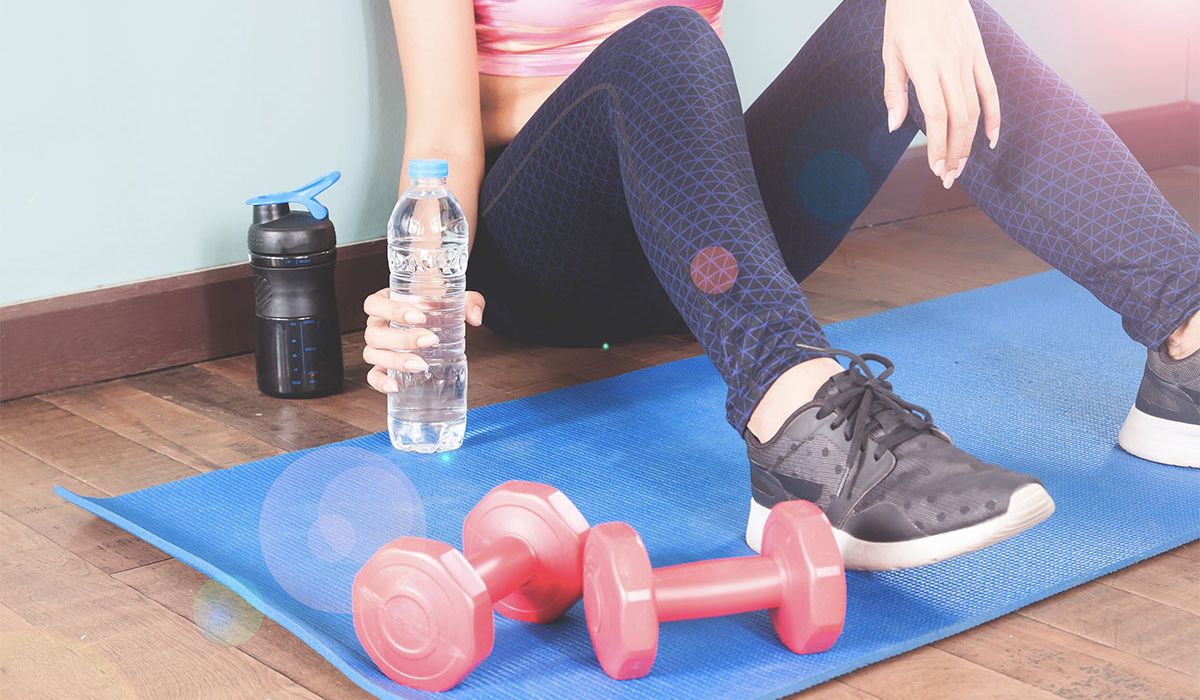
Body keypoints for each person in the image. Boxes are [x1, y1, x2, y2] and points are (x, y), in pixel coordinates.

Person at [361, 0, 1200, 570]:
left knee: (923, 14)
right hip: (551, 250)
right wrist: (422, 287)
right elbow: (443, 134)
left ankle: (1187, 332)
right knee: (668, 40)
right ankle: (797, 425)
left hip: (704, 239)